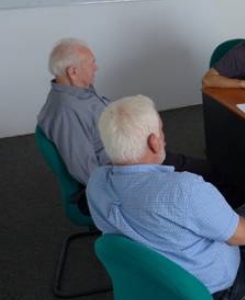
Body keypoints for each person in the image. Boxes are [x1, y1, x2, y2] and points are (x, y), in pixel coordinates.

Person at [87, 95, 245, 300]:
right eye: (161, 130)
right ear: (154, 142)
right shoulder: (183, 189)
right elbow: (241, 236)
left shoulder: (96, 183)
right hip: (221, 299)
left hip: (163, 288)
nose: (164, 138)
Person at [37, 38, 224, 195]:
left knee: (207, 171)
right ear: (73, 72)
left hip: (139, 155)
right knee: (204, 180)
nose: (96, 67)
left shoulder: (79, 93)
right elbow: (86, 171)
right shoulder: (65, 113)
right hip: (130, 172)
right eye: (91, 63)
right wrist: (131, 189)